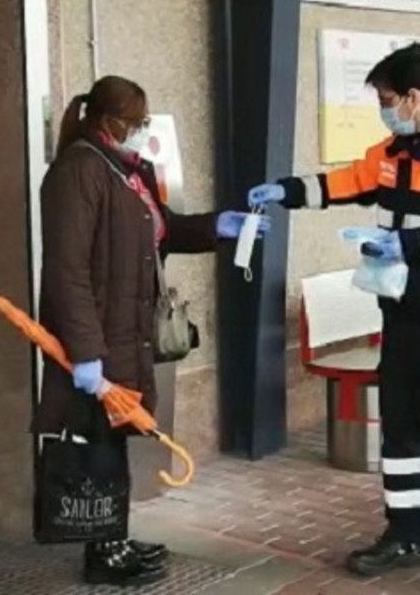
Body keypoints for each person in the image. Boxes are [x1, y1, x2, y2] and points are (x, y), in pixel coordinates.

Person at [249, 43, 420, 595]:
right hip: (399, 317)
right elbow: (343, 183)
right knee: (400, 434)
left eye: (388, 98)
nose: (384, 107)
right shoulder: (391, 153)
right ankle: (405, 535)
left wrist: (408, 244)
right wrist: (287, 191)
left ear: (415, 97)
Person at [33, 76, 268, 587]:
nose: (141, 132)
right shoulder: (79, 172)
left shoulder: (125, 171)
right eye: (135, 123)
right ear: (106, 121)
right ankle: (103, 553)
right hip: (98, 334)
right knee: (98, 437)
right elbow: (66, 271)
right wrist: (86, 354)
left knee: (114, 437)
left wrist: (216, 227)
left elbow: (160, 230)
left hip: (125, 330)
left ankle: (113, 538)